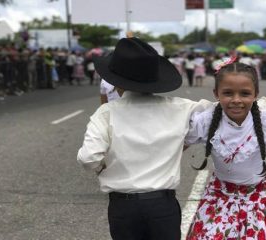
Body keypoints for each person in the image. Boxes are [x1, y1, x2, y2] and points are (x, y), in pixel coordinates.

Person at [77, 37, 218, 240]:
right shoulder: (180, 107)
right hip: (162, 205)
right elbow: (223, 108)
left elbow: (89, 158)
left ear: (116, 82)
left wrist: (104, 166)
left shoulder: (106, 112)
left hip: (123, 206)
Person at [184, 61, 266, 240]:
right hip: (218, 197)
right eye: (227, 93)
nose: (236, 100)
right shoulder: (206, 120)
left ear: (256, 94)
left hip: (259, 198)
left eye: (245, 93)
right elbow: (172, 150)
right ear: (216, 94)